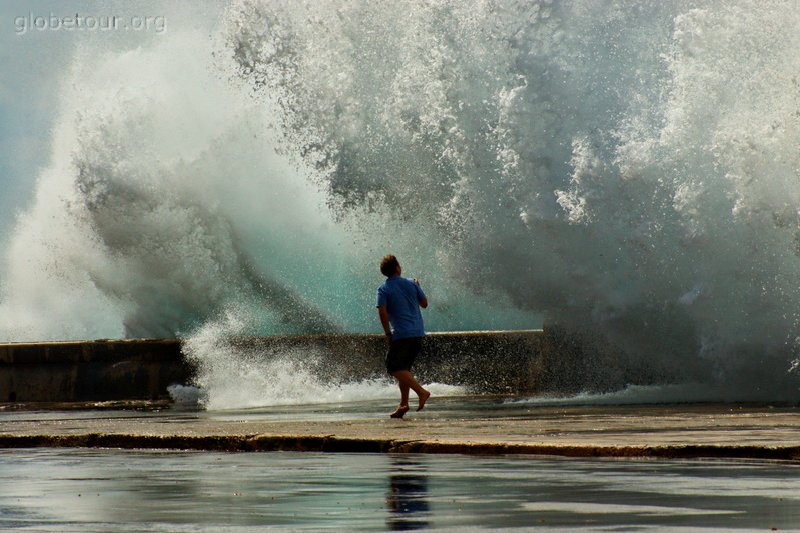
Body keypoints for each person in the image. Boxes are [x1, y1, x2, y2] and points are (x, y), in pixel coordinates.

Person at [376, 254, 431, 418]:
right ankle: (403, 404)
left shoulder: (383, 289)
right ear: (398, 268)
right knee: (403, 369)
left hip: (402, 334)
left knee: (393, 367)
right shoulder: (412, 283)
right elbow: (425, 304)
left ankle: (421, 392)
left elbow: (382, 311)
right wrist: (417, 287)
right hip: (417, 333)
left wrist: (387, 333)